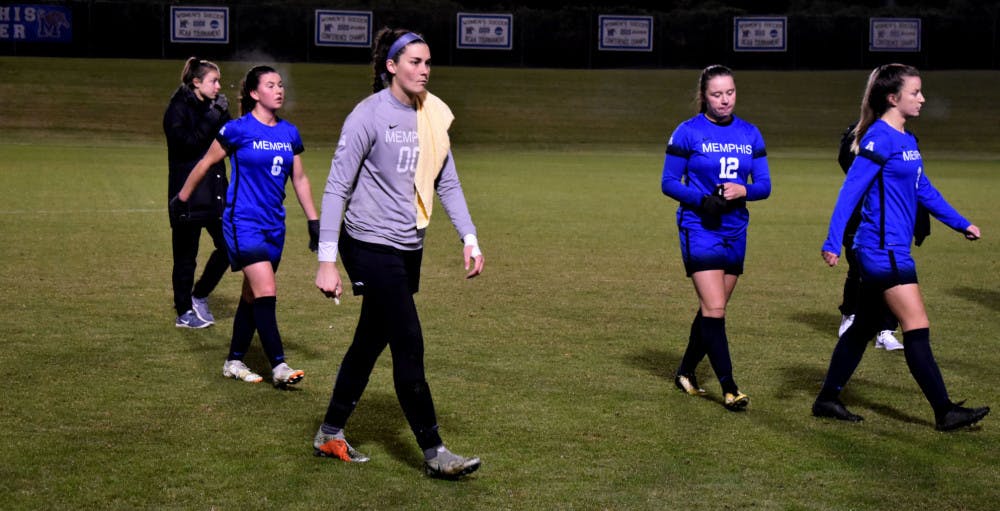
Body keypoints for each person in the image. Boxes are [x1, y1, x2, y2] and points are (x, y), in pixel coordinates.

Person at [312, 28, 485, 479]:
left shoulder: (432, 116)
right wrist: (326, 260)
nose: (424, 70)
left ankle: (330, 432)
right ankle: (435, 451)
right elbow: (336, 187)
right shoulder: (367, 115)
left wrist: (469, 237)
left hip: (409, 247)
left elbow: (446, 181)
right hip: (368, 243)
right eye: (414, 62)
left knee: (370, 341)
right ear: (391, 66)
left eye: (428, 62)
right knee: (408, 340)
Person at [814, 63, 990, 431]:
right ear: (893, 98)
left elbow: (924, 189)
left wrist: (961, 223)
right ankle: (944, 411)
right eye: (915, 93)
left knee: (863, 327)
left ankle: (827, 399)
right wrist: (832, 241)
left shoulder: (906, 140)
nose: (923, 98)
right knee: (916, 324)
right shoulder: (878, 139)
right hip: (882, 251)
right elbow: (851, 192)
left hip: (890, 247)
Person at [170, 65, 320, 388]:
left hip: (274, 226)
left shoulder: (289, 133)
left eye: (280, 85)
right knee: (266, 290)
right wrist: (181, 199)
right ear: (254, 93)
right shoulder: (237, 130)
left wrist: (313, 220)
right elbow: (206, 162)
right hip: (242, 223)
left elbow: (300, 179)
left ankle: (234, 360)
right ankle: (278, 365)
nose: (279, 90)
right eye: (270, 85)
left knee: (252, 296)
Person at [660, 65, 771, 411]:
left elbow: (765, 186)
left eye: (730, 93)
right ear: (704, 96)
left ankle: (685, 371)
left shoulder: (750, 133)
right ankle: (730, 387)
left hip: (735, 230)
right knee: (716, 308)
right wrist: (701, 200)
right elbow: (668, 182)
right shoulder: (687, 132)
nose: (724, 100)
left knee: (712, 310)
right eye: (716, 94)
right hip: (699, 227)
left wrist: (744, 190)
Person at [163, 57, 230, 329]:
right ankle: (183, 312)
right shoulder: (176, 109)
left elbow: (229, 140)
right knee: (185, 258)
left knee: (229, 246)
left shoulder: (213, 107)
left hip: (214, 193)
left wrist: (225, 115)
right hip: (187, 196)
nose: (218, 86)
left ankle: (199, 295)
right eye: (213, 81)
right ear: (196, 82)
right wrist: (213, 116)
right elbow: (187, 146)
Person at [835, 123, 903, 350]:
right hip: (860, 211)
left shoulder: (902, 134)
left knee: (891, 272)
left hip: (892, 214)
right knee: (857, 267)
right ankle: (850, 315)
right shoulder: (859, 130)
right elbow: (845, 159)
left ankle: (886, 330)